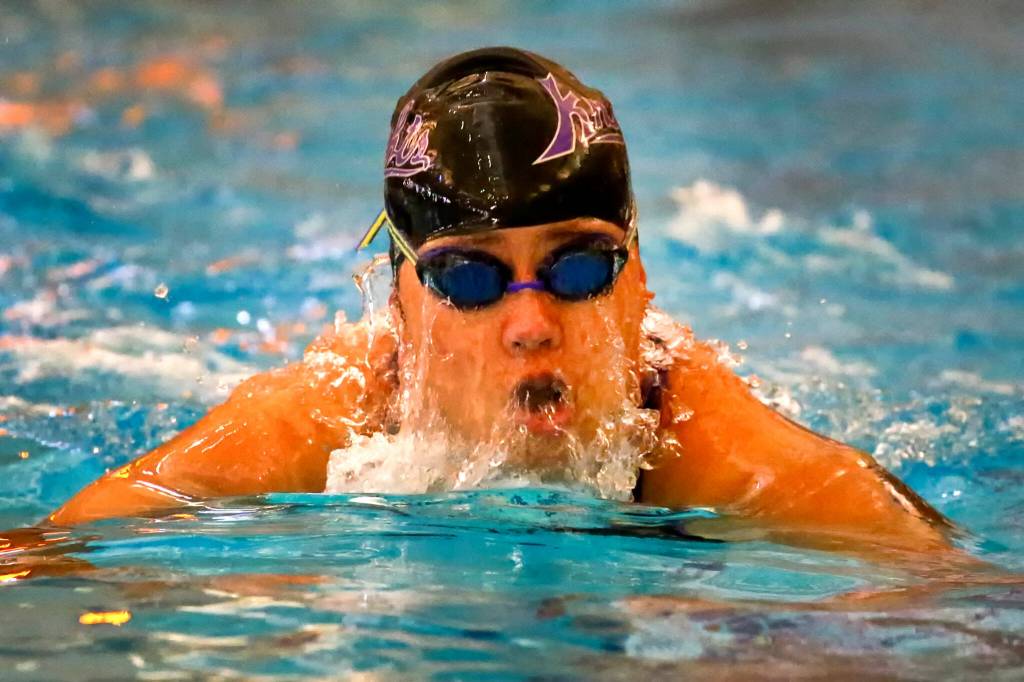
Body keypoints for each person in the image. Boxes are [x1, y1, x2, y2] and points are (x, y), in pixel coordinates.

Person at [46, 47, 955, 557]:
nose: (530, 325)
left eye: (579, 270)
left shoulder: (703, 436)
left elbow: (948, 589)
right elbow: (57, 554)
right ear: (398, 308)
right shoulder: (329, 418)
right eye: (469, 278)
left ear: (639, 284)